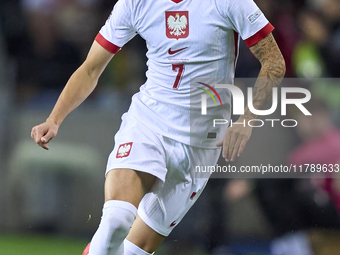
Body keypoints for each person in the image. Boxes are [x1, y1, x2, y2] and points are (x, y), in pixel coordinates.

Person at [31, 0, 285, 254]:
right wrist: (54, 118)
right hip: (148, 123)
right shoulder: (134, 3)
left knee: (132, 251)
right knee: (115, 221)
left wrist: (247, 120)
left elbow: (274, 62)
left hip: (200, 145)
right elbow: (91, 69)